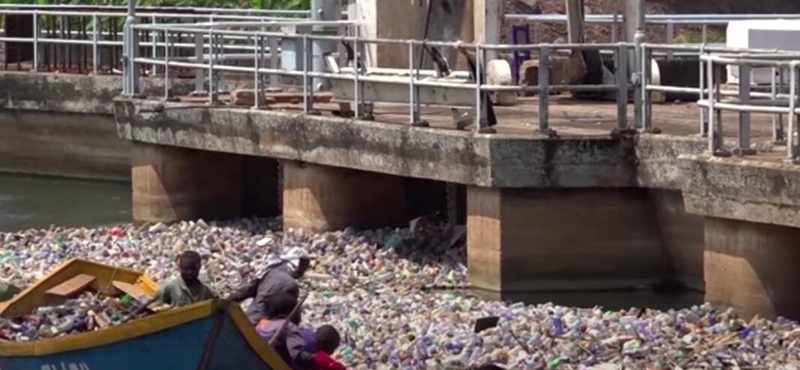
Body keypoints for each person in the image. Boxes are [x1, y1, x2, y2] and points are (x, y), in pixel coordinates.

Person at [229, 247, 311, 324]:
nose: (303, 270)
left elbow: (246, 291)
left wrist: (227, 301)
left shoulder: (269, 272)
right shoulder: (290, 285)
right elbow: (291, 316)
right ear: (296, 263)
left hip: (249, 320)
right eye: (303, 266)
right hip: (264, 328)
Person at [255, 293, 314, 370]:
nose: (300, 316)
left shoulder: (262, 323)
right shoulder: (289, 327)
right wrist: (316, 358)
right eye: (299, 312)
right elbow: (296, 354)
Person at [152, 250, 216, 307]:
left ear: (199, 267)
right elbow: (155, 307)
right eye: (186, 269)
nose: (189, 272)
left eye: (193, 269)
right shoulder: (171, 287)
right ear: (180, 268)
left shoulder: (205, 289)